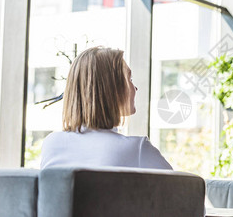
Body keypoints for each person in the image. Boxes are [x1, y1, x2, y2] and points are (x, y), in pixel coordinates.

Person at [41, 46, 172, 170]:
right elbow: (184, 191)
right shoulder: (137, 149)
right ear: (112, 88)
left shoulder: (52, 143)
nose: (135, 88)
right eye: (130, 79)